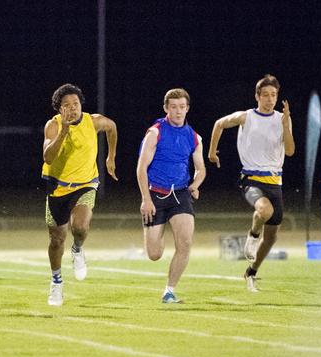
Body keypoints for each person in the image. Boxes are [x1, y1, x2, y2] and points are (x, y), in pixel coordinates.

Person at [208, 74, 294, 292]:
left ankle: (251, 271)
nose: (270, 99)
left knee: (272, 238)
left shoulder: (282, 119)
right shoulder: (246, 117)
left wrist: (285, 124)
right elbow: (219, 124)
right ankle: (253, 234)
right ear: (257, 96)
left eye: (273, 95)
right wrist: (211, 152)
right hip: (251, 179)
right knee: (264, 210)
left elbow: (290, 151)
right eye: (265, 95)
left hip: (275, 182)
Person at [42, 83, 118, 306]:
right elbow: (47, 157)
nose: (72, 108)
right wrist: (65, 131)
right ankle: (56, 282)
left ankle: (77, 249)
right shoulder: (53, 126)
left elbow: (112, 127)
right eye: (66, 105)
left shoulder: (93, 121)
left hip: (86, 184)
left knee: (80, 227)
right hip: (58, 187)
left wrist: (110, 157)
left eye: (75, 104)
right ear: (59, 109)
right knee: (56, 240)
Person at [136, 88, 206, 303]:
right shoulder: (155, 132)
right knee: (154, 254)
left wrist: (195, 184)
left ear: (187, 109)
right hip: (155, 195)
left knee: (185, 243)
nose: (178, 111)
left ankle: (169, 291)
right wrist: (146, 199)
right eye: (173, 107)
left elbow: (201, 169)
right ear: (166, 108)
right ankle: (157, 233)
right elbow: (141, 168)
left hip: (180, 194)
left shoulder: (194, 137)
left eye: (182, 107)